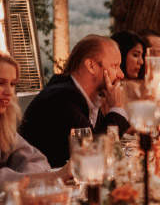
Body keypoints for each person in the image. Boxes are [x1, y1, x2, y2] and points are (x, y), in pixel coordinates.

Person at [21, 35, 130, 167]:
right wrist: (117, 109)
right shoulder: (62, 99)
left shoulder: (84, 97)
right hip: (40, 183)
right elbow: (92, 155)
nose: (121, 74)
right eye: (115, 66)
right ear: (91, 66)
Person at [0, 53, 55, 183]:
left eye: (13, 84)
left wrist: (25, 178)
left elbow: (37, 161)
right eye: (1, 83)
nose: (9, 92)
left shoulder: (3, 125)